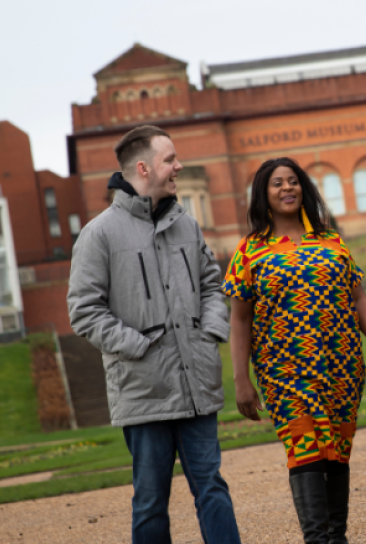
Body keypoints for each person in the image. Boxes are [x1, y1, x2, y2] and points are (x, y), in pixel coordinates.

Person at [67, 125, 241, 544]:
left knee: (212, 488)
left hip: (196, 382)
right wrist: (139, 347)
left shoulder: (187, 225)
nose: (179, 166)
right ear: (143, 168)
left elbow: (213, 286)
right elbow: (84, 312)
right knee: (149, 501)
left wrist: (209, 334)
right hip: (143, 391)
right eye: (170, 160)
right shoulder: (99, 234)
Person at [223, 157, 366, 544]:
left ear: (304, 188)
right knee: (304, 451)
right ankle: (317, 540)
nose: (287, 188)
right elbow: (239, 321)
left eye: (293, 181)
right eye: (276, 184)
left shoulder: (331, 241)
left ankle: (337, 537)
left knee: (336, 451)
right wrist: (241, 380)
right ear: (264, 196)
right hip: (284, 372)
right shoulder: (249, 251)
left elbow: (358, 299)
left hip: (342, 366)